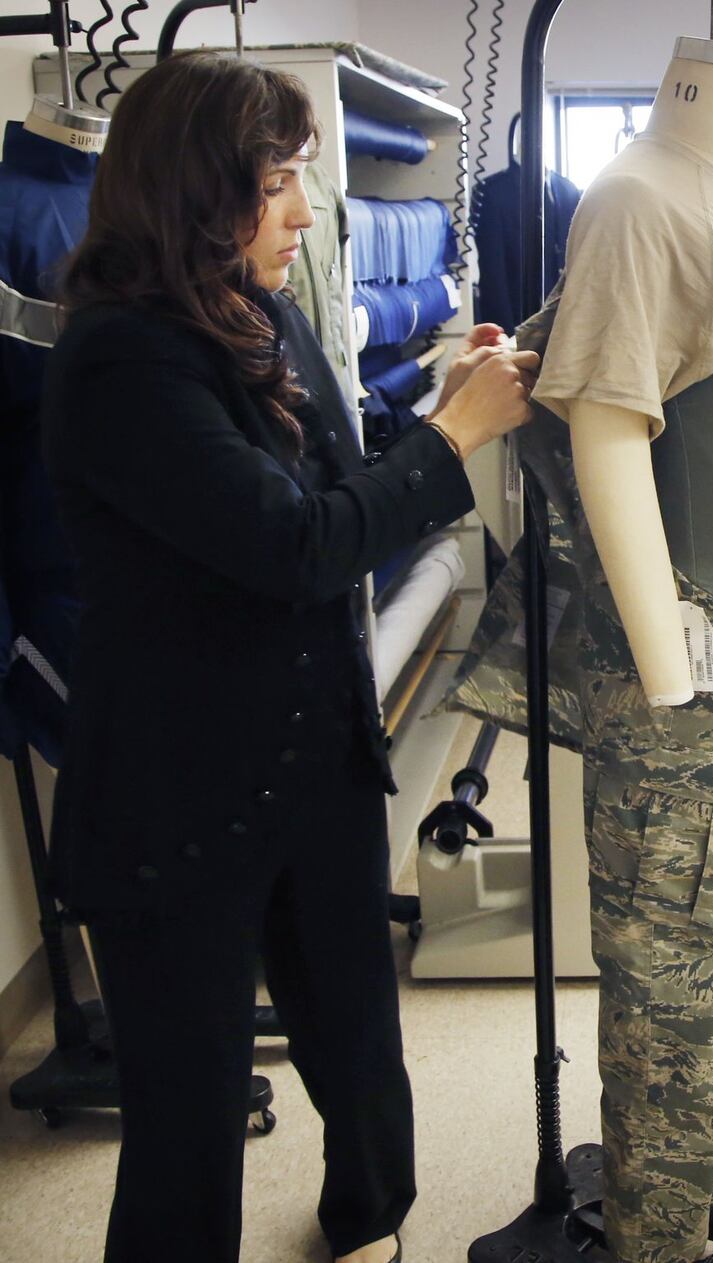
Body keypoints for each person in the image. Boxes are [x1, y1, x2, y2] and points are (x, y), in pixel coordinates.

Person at [39, 53, 538, 1263]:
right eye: (280, 182)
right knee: (189, 1126)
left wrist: (437, 401)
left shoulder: (262, 314)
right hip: (176, 805)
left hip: (310, 767)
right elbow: (295, 544)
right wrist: (454, 444)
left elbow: (328, 480)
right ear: (199, 191)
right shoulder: (120, 359)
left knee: (364, 1059)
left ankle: (371, 1231)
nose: (304, 212)